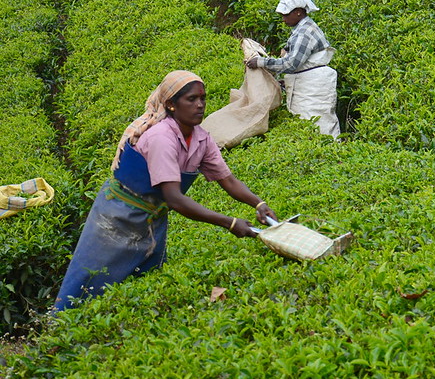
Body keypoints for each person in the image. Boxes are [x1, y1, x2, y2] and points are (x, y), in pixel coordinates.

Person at [54, 70, 277, 311]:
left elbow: (228, 180)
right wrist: (230, 223)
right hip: (117, 216)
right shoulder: (162, 137)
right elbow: (174, 199)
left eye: (203, 98)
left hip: (152, 217)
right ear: (171, 105)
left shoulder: (201, 138)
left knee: (141, 280)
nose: (200, 105)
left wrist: (258, 204)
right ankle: (60, 330)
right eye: (191, 99)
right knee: (90, 280)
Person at [245, 0, 341, 138]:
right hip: (311, 84)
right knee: (310, 126)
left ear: (297, 12)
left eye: (286, 14)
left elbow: (291, 64)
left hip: (314, 88)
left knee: (318, 126)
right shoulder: (302, 29)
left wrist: (261, 62)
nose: (283, 19)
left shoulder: (304, 32)